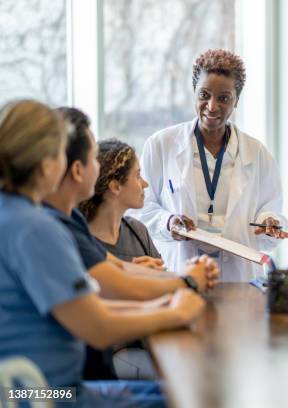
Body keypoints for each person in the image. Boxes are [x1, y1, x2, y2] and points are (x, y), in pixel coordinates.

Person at [0, 99, 205, 406]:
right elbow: (98, 327)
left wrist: (163, 305)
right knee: (187, 398)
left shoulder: (14, 214)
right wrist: (174, 311)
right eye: (61, 154)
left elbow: (90, 307)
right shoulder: (35, 228)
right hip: (47, 395)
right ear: (46, 167)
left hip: (35, 390)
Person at [134, 48, 288, 281]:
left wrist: (270, 222)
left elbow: (270, 211)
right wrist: (168, 222)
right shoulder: (161, 145)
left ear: (236, 100)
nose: (212, 106)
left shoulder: (258, 154)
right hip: (179, 268)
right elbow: (139, 208)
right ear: (194, 93)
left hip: (238, 276)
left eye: (224, 98)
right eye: (204, 95)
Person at [45, 107, 218, 301]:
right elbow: (105, 304)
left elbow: (117, 270)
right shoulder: (52, 229)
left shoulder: (73, 221)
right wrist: (189, 281)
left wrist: (151, 273)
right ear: (77, 170)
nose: (98, 168)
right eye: (92, 159)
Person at [79, 138, 163, 268]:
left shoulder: (138, 231)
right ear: (116, 186)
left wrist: (158, 274)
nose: (145, 184)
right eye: (138, 175)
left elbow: (166, 282)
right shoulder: (79, 239)